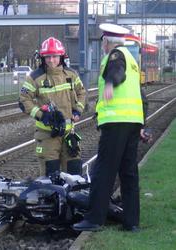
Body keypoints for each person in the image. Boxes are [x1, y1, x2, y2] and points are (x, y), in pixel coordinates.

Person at [72, 23, 151, 233]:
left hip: (116, 123)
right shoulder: (133, 61)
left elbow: (117, 73)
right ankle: (131, 222)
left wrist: (109, 83)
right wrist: (143, 125)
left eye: (103, 43)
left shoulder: (116, 56)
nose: (103, 47)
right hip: (132, 123)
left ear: (106, 42)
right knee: (128, 173)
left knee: (103, 171)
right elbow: (140, 96)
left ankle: (94, 219)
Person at [19, 37, 86, 177]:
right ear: (42, 58)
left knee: (74, 174)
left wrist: (78, 110)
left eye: (54, 56)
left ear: (61, 56)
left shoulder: (71, 75)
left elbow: (82, 93)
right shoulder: (35, 77)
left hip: (69, 135)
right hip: (47, 135)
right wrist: (42, 115)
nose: (51, 60)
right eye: (47, 57)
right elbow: (23, 100)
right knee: (51, 176)